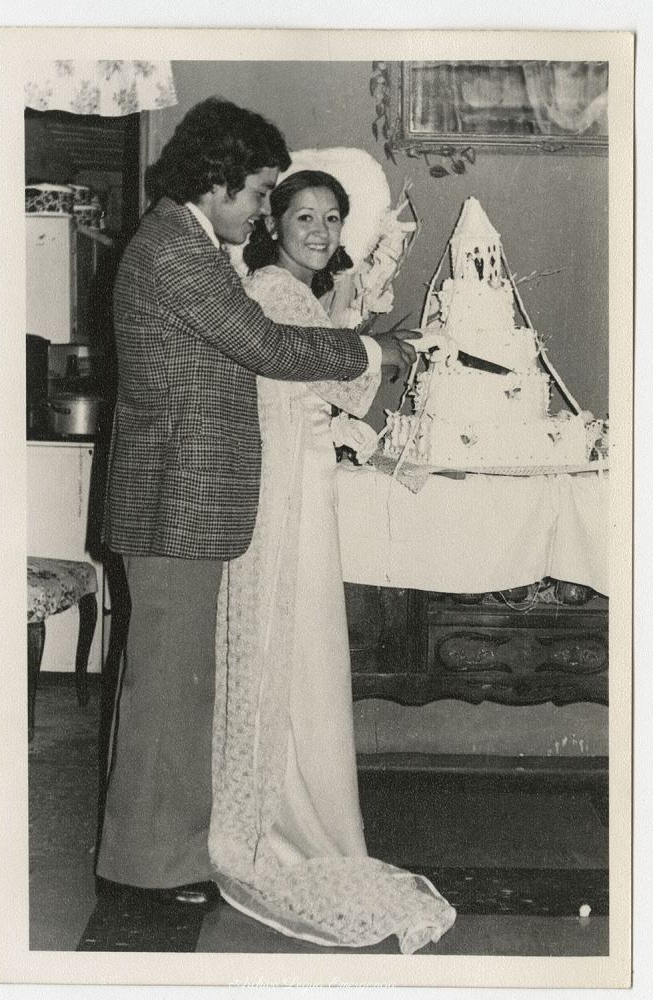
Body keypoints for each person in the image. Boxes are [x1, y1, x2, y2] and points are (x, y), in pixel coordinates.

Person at [96, 99, 415, 909]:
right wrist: (372, 350)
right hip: (176, 496)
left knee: (173, 688)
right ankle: (145, 869)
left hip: (183, 495)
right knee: (168, 692)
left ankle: (157, 855)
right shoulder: (176, 248)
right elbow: (264, 344)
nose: (263, 209)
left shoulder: (186, 241)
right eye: (261, 191)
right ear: (217, 180)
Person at [208, 166, 456, 951]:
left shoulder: (297, 293)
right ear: (273, 224)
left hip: (302, 481)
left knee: (306, 652)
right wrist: (383, 348)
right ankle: (283, 826)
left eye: (331, 218)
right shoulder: (272, 292)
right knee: (295, 650)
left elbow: (322, 384)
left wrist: (364, 347)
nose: (318, 231)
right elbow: (332, 368)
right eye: (303, 217)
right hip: (284, 492)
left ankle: (291, 808)